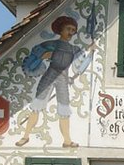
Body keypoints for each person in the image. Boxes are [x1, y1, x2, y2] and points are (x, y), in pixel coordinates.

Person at [16, 15, 94, 148]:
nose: (70, 33)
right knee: (36, 106)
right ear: (61, 30)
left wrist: (90, 52)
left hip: (63, 78)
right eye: (68, 29)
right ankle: (25, 136)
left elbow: (79, 67)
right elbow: (34, 59)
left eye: (73, 30)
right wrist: (42, 57)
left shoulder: (74, 49)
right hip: (49, 76)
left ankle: (67, 140)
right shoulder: (51, 45)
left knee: (64, 110)